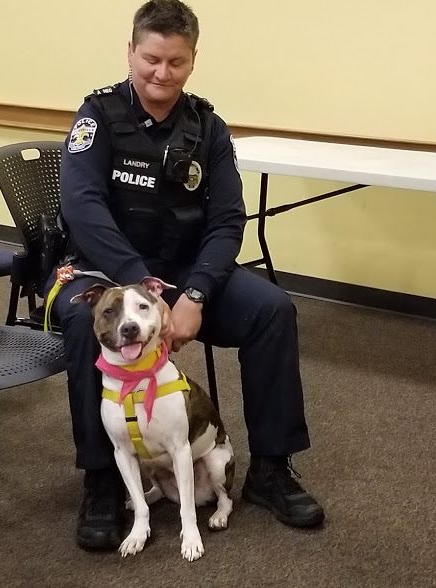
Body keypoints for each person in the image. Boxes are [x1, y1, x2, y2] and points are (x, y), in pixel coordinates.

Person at [51, 0, 324, 551]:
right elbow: (83, 207)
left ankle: (271, 469)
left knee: (272, 310)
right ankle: (103, 480)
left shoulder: (209, 127)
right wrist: (141, 291)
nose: (161, 72)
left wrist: (194, 294)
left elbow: (226, 221)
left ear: (192, 61)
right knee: (86, 329)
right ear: (131, 52)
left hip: (182, 274)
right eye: (150, 59)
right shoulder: (97, 117)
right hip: (105, 274)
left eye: (175, 62)